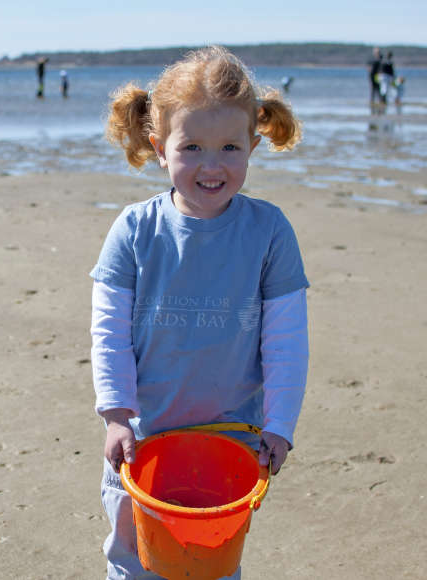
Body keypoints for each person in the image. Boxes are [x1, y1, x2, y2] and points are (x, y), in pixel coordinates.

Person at [91, 46, 309, 580]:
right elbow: (109, 332)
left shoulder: (269, 232)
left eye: (230, 147)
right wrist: (117, 413)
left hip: (231, 442)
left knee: (211, 560)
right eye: (192, 147)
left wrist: (279, 425)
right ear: (159, 148)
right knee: (136, 559)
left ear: (254, 145)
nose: (212, 165)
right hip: (143, 439)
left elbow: (286, 341)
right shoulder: (134, 231)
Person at [367, 47, 383, 114]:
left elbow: (381, 68)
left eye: (377, 52)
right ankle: (372, 101)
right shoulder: (373, 59)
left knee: (378, 89)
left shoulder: (380, 59)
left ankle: (380, 101)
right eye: (375, 52)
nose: (376, 53)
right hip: (372, 76)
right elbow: (369, 66)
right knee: (373, 89)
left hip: (377, 76)